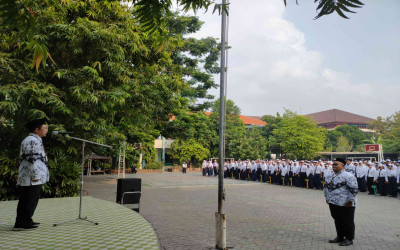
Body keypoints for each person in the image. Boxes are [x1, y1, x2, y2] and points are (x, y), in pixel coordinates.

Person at [13, 119, 49, 231]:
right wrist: (36, 176)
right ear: (37, 130)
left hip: (33, 177)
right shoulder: (31, 141)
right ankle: (21, 223)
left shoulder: (35, 140)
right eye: (45, 128)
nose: (46, 130)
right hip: (31, 177)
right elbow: (32, 160)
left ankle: (26, 220)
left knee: (30, 199)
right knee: (28, 199)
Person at [324, 158, 358, 246]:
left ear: (343, 166)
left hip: (345, 203)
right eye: (333, 164)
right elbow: (326, 188)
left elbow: (354, 189)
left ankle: (349, 238)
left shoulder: (348, 175)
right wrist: (327, 197)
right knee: (337, 220)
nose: (333, 166)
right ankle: (340, 236)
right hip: (333, 202)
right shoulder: (329, 175)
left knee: (347, 221)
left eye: (336, 164)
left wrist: (350, 200)